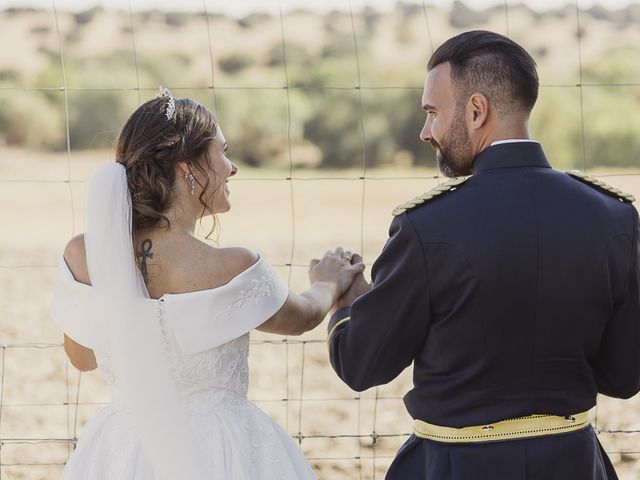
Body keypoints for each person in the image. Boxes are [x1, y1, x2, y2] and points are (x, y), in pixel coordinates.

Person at [326, 30, 639, 479]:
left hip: (457, 466)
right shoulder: (615, 216)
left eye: (432, 112)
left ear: (476, 111)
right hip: (574, 463)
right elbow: (625, 377)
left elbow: (362, 365)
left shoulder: (427, 225)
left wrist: (345, 299)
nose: (425, 131)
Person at [50, 88, 364, 479]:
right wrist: (328, 282)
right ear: (189, 168)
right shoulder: (232, 265)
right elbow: (302, 317)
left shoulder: (85, 254)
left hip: (127, 447)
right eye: (223, 151)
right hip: (221, 449)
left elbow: (83, 358)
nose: (232, 168)